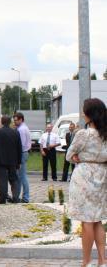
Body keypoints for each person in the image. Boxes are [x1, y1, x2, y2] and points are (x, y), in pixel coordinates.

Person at [65, 98, 107, 267]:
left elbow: (69, 155)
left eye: (84, 111)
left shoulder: (83, 134)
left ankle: (87, 261)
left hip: (84, 177)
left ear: (90, 114)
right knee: (97, 220)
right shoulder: (106, 134)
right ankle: (103, 261)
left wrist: (77, 157)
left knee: (87, 220)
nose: (83, 113)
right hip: (102, 175)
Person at [0, 115, 22, 204]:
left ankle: (2, 199)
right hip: (13, 161)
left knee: (2, 180)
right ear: (10, 122)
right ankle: (16, 198)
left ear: (2, 122)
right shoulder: (15, 132)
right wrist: (19, 161)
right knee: (14, 179)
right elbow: (19, 148)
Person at [13, 112, 31, 203]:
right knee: (20, 176)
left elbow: (22, 144)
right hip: (24, 153)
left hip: (22, 153)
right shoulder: (23, 128)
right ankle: (18, 196)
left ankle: (26, 197)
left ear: (21, 119)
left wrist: (18, 158)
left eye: (16, 120)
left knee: (22, 176)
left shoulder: (21, 130)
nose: (14, 122)